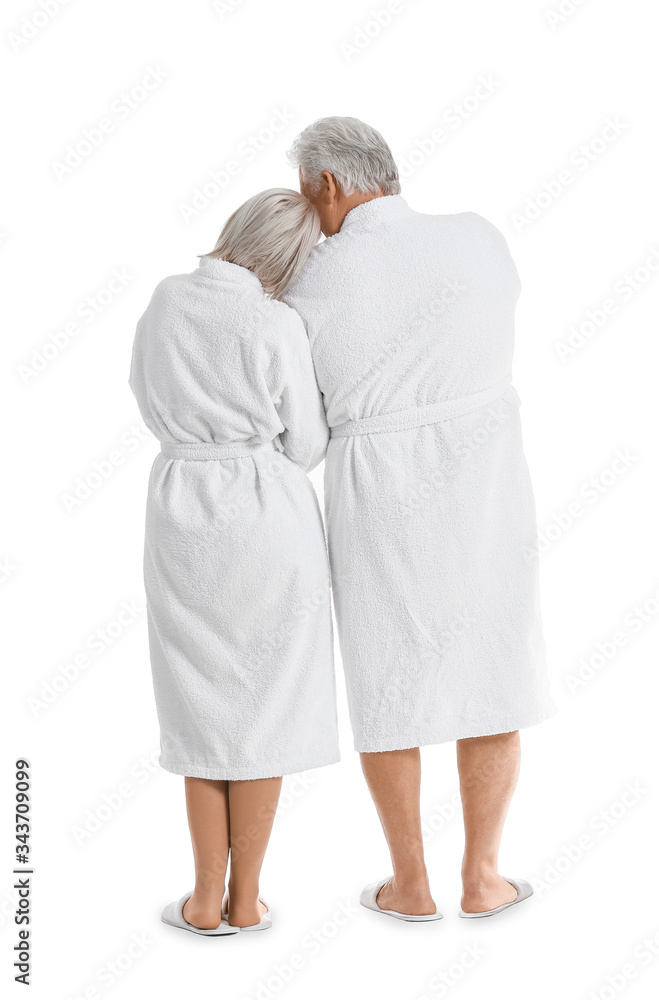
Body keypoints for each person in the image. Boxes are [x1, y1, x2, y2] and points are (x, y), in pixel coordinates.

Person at [284, 117, 556, 920]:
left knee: (385, 680)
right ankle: (483, 878)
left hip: (376, 491)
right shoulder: (477, 237)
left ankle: (409, 885)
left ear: (327, 185)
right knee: (492, 674)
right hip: (485, 478)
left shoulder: (309, 284)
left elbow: (302, 426)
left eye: (307, 193)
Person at [129, 189, 339, 936]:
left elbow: (140, 393)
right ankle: (246, 900)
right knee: (264, 706)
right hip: (264, 517)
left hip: (179, 512)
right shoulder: (275, 322)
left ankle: (199, 899)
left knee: (200, 706)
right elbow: (308, 444)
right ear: (288, 260)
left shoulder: (164, 300)